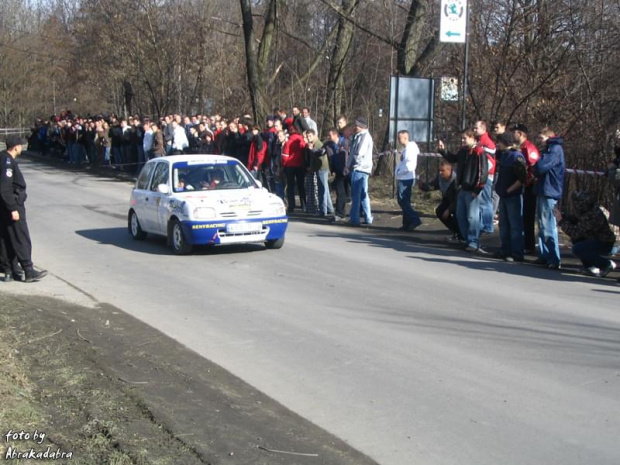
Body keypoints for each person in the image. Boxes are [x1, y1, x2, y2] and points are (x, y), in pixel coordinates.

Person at [0, 135, 47, 282]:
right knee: (20, 237)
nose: (22, 147)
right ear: (16, 147)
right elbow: (5, 188)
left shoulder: (2, 157)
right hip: (11, 204)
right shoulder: (7, 162)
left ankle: (9, 270)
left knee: (6, 237)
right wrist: (13, 208)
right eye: (21, 145)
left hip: (3, 205)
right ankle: (28, 269)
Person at [438, 129, 488, 252]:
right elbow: (453, 158)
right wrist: (443, 150)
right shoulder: (463, 151)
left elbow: (483, 173)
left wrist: (477, 189)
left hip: (472, 189)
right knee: (460, 215)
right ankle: (466, 238)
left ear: (472, 138)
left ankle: (474, 242)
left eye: (464, 138)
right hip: (462, 188)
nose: (462, 140)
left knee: (472, 217)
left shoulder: (479, 152)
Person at [555, 191, 616, 277]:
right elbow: (576, 221)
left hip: (604, 242)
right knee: (577, 241)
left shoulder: (592, 215)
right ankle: (590, 267)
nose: (576, 206)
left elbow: (575, 232)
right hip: (595, 238)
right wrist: (566, 217)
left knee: (577, 249)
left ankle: (606, 264)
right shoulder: (588, 210)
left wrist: (561, 221)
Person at [533, 127, 565, 270]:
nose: (540, 140)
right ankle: (544, 254)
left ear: (548, 137)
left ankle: (553, 257)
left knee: (548, 225)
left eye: (541, 138)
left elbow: (541, 167)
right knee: (541, 223)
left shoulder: (554, 149)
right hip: (543, 188)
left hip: (549, 190)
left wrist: (537, 165)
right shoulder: (548, 149)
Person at [494, 132, 527, 262]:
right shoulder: (504, 156)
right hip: (503, 194)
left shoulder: (517, 157)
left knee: (515, 226)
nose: (498, 144)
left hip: (513, 196)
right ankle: (505, 249)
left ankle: (517, 252)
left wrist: (509, 190)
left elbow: (521, 178)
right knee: (504, 225)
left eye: (500, 142)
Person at [512, 123, 540, 254]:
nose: (513, 134)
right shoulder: (518, 148)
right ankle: (522, 243)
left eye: (515, 132)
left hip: (529, 186)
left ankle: (529, 245)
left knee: (528, 216)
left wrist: (527, 180)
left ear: (521, 134)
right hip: (522, 185)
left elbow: (534, 168)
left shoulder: (529, 148)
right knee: (522, 216)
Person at [419, 160, 460, 241]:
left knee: (456, 215)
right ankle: (456, 232)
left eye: (443, 171)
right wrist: (423, 186)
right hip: (447, 199)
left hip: (457, 202)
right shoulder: (440, 178)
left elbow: (457, 199)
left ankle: (462, 235)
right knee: (440, 211)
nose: (440, 173)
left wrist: (449, 210)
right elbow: (433, 186)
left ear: (449, 170)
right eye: (439, 170)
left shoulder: (456, 180)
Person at [346, 117, 374, 226]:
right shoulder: (358, 136)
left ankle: (354, 219)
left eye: (356, 125)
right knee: (363, 194)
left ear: (362, 126)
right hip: (363, 169)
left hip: (359, 169)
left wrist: (351, 165)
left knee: (356, 195)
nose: (354, 127)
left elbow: (358, 153)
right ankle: (368, 217)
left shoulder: (364, 137)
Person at [473, 120, 497, 234]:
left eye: (476, 128)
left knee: (485, 201)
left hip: (486, 175)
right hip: (481, 174)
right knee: (481, 201)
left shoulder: (487, 142)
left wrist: (486, 173)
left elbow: (490, 159)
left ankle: (487, 226)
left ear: (483, 129)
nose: (474, 130)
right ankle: (483, 224)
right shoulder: (479, 141)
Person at [395, 130, 422, 231]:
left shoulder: (410, 149)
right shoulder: (407, 148)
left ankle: (415, 219)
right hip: (405, 177)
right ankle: (406, 223)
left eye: (399, 138)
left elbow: (409, 165)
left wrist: (400, 172)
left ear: (405, 138)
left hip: (405, 178)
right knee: (405, 201)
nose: (398, 140)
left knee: (402, 200)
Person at [282, 126, 306, 213]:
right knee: (301, 186)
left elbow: (285, 156)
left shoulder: (288, 142)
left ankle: (291, 206)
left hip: (290, 166)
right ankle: (304, 205)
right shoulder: (302, 140)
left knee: (290, 187)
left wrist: (284, 165)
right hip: (300, 165)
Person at [324, 128, 347, 221]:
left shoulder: (345, 143)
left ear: (335, 135)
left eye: (330, 135)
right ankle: (340, 213)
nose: (328, 137)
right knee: (340, 192)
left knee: (344, 192)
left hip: (346, 170)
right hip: (337, 170)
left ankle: (342, 213)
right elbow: (321, 151)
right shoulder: (329, 145)